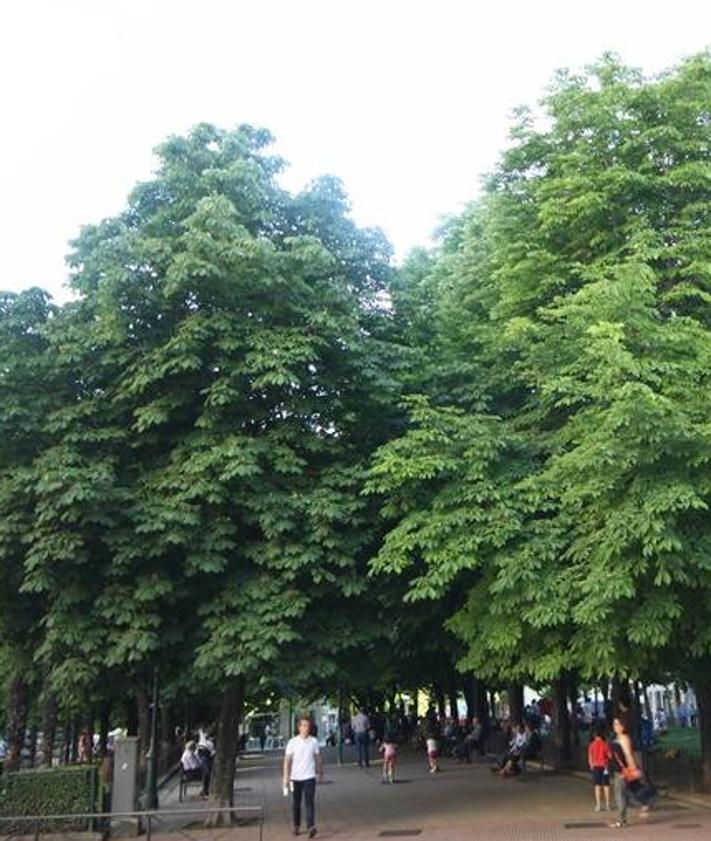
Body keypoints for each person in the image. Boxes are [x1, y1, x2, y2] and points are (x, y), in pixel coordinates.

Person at [610, 716, 655, 829]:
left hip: (623, 771)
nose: (615, 726)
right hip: (619, 770)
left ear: (622, 726)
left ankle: (622, 820)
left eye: (617, 724)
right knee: (629, 791)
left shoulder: (624, 738)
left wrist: (633, 767)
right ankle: (645, 803)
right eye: (614, 724)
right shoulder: (617, 738)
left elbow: (628, 754)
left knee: (620, 794)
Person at [284, 716, 323, 838]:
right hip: (295, 778)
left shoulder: (314, 741)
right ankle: (296, 825)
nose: (306, 728)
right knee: (296, 803)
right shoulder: (292, 742)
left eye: (308, 725)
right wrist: (286, 776)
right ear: (299, 727)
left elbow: (318, 757)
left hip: (309, 776)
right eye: (304, 725)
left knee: (309, 802)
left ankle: (311, 826)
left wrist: (320, 771)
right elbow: (287, 760)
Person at [588, 722, 612, 812]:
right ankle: (608, 805)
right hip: (605, 766)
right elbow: (610, 756)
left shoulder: (591, 745)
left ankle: (598, 805)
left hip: (596, 766)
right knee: (606, 785)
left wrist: (591, 765)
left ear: (594, 735)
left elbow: (590, 757)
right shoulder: (605, 744)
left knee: (597, 785)